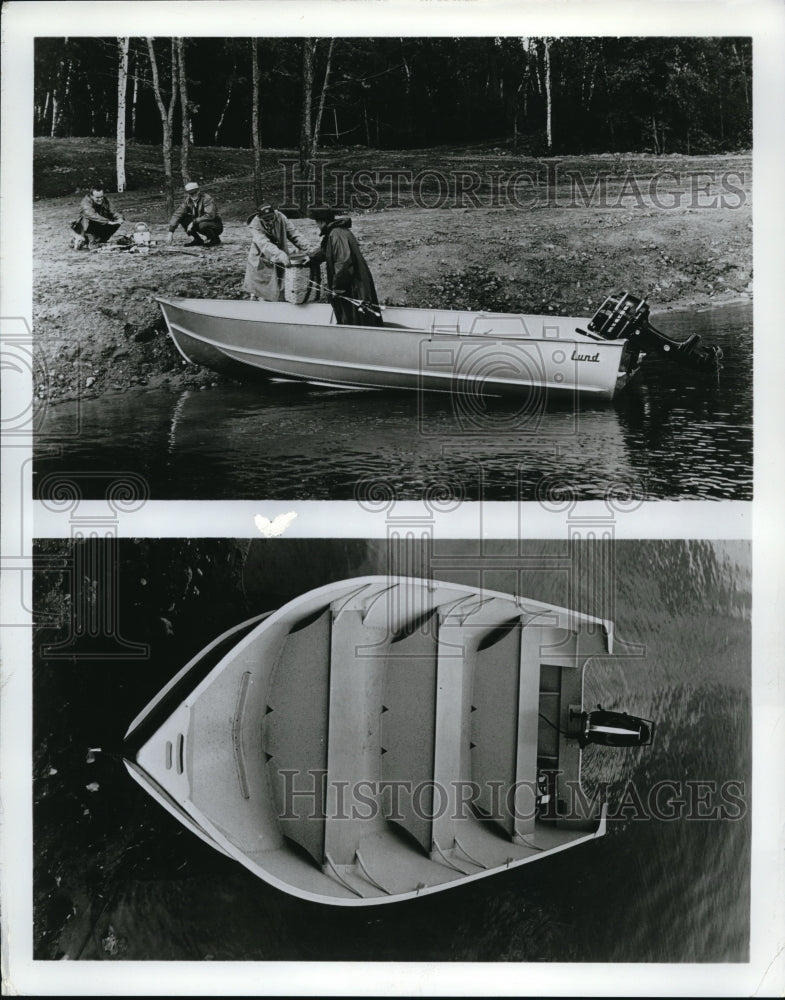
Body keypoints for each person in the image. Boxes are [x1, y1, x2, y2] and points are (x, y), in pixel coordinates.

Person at [308, 209, 382, 326]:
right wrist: (310, 258)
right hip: (354, 283)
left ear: (322, 222)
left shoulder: (336, 234)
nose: (317, 226)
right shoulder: (336, 232)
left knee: (355, 318)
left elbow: (344, 264)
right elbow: (325, 251)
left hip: (354, 285)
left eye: (317, 222)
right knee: (357, 317)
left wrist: (337, 289)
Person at [243, 203, 314, 301]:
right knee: (261, 286)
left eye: (271, 218)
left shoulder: (281, 217)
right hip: (262, 256)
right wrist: (279, 254)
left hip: (279, 254)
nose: (270, 222)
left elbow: (293, 233)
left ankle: (279, 302)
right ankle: (257, 301)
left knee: (280, 283)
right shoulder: (254, 225)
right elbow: (264, 243)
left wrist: (308, 249)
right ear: (260, 217)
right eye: (266, 220)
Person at [167, 181, 223, 247]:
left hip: (215, 224)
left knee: (203, 225)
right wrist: (171, 232)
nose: (193, 195)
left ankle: (215, 239)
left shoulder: (207, 198)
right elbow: (178, 214)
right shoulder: (187, 201)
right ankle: (197, 240)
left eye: (195, 192)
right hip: (198, 222)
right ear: (188, 194)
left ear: (198, 191)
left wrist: (193, 222)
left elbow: (210, 215)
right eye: (191, 193)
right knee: (183, 218)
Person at [71, 183, 124, 248]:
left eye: (102, 196)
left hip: (100, 224)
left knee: (116, 223)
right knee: (93, 245)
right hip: (86, 227)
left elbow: (113, 211)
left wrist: (119, 218)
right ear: (91, 196)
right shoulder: (85, 203)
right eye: (97, 197)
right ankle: (83, 239)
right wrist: (107, 222)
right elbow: (92, 215)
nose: (100, 199)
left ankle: (101, 240)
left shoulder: (105, 200)